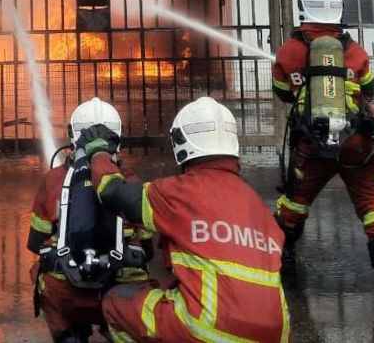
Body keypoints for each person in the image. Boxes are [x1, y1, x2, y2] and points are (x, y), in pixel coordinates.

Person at [75, 97, 290, 343]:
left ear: (180, 142)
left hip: (209, 329)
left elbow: (114, 193)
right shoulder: (258, 206)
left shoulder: (180, 192)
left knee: (117, 301)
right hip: (276, 334)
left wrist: (98, 151)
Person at [271, 0, 374, 304]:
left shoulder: (290, 51)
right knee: (372, 204)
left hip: (313, 144)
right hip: (356, 144)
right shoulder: (352, 49)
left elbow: (282, 93)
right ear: (338, 11)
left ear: (303, 11)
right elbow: (369, 89)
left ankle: (278, 260)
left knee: (295, 201)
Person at [27, 98, 153, 343]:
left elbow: (35, 242)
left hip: (67, 294)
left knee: (39, 272)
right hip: (118, 294)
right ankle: (117, 329)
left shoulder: (54, 180)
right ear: (117, 139)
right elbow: (147, 250)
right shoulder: (131, 182)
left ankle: (69, 334)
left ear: (73, 136)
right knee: (141, 283)